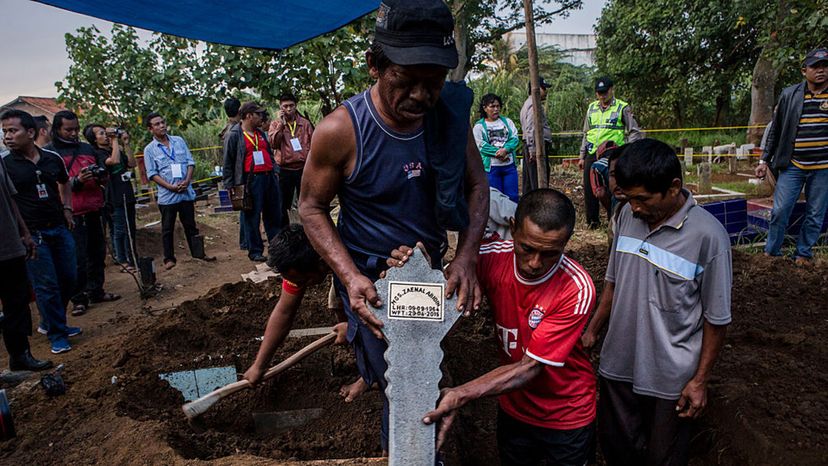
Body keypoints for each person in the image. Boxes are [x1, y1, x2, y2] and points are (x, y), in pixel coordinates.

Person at [299, 0, 488, 450]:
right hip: (373, 283)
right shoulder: (341, 131)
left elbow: (476, 188)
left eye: (435, 82)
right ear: (374, 67)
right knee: (399, 379)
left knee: (423, 369)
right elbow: (310, 207)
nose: (422, 96)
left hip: (429, 276)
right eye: (407, 82)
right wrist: (350, 277)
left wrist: (465, 258)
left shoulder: (449, 121)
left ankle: (428, 451)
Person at [581, 139, 731, 466]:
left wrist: (699, 380)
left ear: (674, 187)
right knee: (616, 447)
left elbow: (716, 319)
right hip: (618, 364)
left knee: (663, 457)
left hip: (670, 377)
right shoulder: (625, 217)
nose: (634, 207)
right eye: (628, 197)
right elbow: (613, 282)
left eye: (642, 199)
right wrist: (593, 329)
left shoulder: (709, 236)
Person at [421, 189, 597, 465]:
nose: (535, 263)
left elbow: (531, 367)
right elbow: (436, 297)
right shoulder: (488, 257)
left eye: (550, 253)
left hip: (566, 415)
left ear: (565, 243)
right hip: (514, 408)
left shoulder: (576, 287)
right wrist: (414, 268)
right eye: (527, 248)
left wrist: (460, 393)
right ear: (513, 229)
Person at [2, 109, 82, 355]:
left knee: (70, 277)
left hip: (59, 226)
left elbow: (64, 182)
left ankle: (50, 322)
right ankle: (57, 333)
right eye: (4, 132)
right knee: (46, 285)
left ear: (30, 132)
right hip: (33, 234)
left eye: (12, 130)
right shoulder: (5, 165)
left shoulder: (51, 158)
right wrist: (23, 233)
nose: (7, 136)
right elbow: (10, 202)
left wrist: (67, 208)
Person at [755, 47, 828, 266]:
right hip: (793, 164)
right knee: (780, 210)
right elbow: (775, 131)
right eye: (815, 66)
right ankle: (772, 253)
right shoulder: (790, 95)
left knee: (815, 213)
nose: (821, 71)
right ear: (804, 70)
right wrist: (763, 160)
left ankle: (803, 254)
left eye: (825, 66)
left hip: (823, 167)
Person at [45, 110, 119, 316]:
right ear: (57, 129)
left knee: (97, 252)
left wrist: (99, 177)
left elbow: (104, 171)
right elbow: (53, 185)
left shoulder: (87, 148)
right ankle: (78, 298)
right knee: (76, 257)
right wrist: (77, 181)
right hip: (71, 213)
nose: (73, 133)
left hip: (94, 208)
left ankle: (96, 290)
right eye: (68, 130)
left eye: (76, 129)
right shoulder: (50, 153)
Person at [0, 124, 54, 370]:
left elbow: (10, 199)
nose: (5, 136)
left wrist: (24, 233)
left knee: (17, 302)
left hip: (10, 244)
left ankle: (20, 357)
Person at [143, 112, 216, 269]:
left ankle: (198, 254)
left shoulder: (179, 141)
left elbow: (190, 162)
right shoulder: (149, 150)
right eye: (157, 124)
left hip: (185, 192)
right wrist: (170, 187)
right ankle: (169, 259)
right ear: (150, 129)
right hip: (168, 196)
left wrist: (187, 180)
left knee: (191, 225)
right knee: (167, 228)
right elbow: (152, 174)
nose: (162, 126)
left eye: (162, 122)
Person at [579, 76, 642, 228]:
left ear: (611, 90)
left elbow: (634, 131)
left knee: (613, 186)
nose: (602, 95)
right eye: (599, 93)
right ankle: (592, 221)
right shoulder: (592, 108)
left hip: (612, 152)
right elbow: (586, 132)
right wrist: (582, 155)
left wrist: (628, 151)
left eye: (605, 92)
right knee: (590, 187)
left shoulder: (622, 107)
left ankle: (613, 218)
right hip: (592, 151)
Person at [222, 102, 281, 262]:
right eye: (258, 114)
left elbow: (269, 152)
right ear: (249, 116)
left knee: (273, 215)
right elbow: (228, 161)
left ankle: (276, 251)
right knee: (252, 217)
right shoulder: (234, 135)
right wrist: (229, 184)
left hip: (269, 178)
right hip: (250, 180)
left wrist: (275, 171)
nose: (262, 117)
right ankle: (255, 251)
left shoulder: (260, 134)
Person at [85, 125, 138, 272]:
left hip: (126, 192)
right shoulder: (98, 154)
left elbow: (132, 164)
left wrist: (126, 144)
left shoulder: (115, 149)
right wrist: (115, 140)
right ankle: (122, 260)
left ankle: (132, 258)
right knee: (120, 229)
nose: (107, 136)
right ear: (94, 140)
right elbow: (114, 161)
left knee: (130, 228)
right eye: (102, 133)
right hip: (113, 196)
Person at [269, 92, 312, 227]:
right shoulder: (275, 124)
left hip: (303, 169)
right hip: (284, 169)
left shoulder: (304, 124)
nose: (288, 109)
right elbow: (273, 144)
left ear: (296, 106)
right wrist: (281, 126)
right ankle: (284, 234)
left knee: (306, 203)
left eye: (291, 106)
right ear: (280, 107)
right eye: (285, 106)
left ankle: (308, 232)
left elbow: (313, 145)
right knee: (283, 204)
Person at [473, 93, 520, 203]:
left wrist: (506, 150)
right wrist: (498, 153)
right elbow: (481, 145)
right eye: (492, 106)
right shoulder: (479, 126)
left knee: (512, 197)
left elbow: (514, 138)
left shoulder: (507, 122)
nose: (496, 109)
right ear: (485, 108)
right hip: (492, 168)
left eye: (498, 106)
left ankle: (512, 219)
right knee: (495, 199)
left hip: (509, 166)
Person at [519, 77, 552, 194]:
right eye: (544, 88)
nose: (546, 91)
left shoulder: (527, 104)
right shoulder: (534, 106)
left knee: (529, 182)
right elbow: (531, 128)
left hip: (530, 146)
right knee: (538, 182)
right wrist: (533, 149)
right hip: (536, 147)